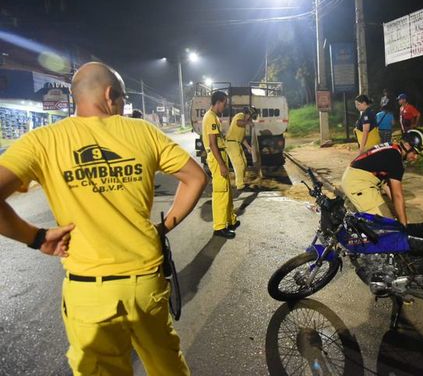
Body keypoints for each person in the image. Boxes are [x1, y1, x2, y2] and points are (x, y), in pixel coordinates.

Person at [0, 62, 207, 375]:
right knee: (167, 366)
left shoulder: (42, 141)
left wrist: (37, 237)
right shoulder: (142, 132)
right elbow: (195, 178)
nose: (123, 106)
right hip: (145, 284)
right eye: (123, 99)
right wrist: (163, 227)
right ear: (110, 95)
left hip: (89, 292)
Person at [341, 129, 423, 226]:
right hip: (358, 182)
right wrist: (404, 226)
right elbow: (397, 195)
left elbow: (388, 187)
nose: (415, 157)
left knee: (390, 216)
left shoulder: (392, 148)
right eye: (415, 152)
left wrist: (401, 216)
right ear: (407, 145)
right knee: (387, 226)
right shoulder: (396, 159)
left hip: (353, 178)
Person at [203, 90, 238, 238]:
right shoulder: (211, 117)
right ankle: (219, 227)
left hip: (220, 157)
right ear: (218, 102)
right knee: (220, 192)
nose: (226, 106)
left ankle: (230, 220)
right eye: (225, 103)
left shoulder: (214, 117)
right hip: (217, 159)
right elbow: (212, 144)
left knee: (227, 191)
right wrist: (222, 165)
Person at [226, 106, 255, 191]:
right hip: (231, 143)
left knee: (244, 163)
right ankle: (240, 185)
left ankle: (241, 181)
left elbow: (242, 138)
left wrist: (248, 147)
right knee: (239, 164)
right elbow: (238, 123)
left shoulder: (244, 122)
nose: (251, 118)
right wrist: (248, 123)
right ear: (248, 113)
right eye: (251, 115)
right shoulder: (240, 115)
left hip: (237, 143)